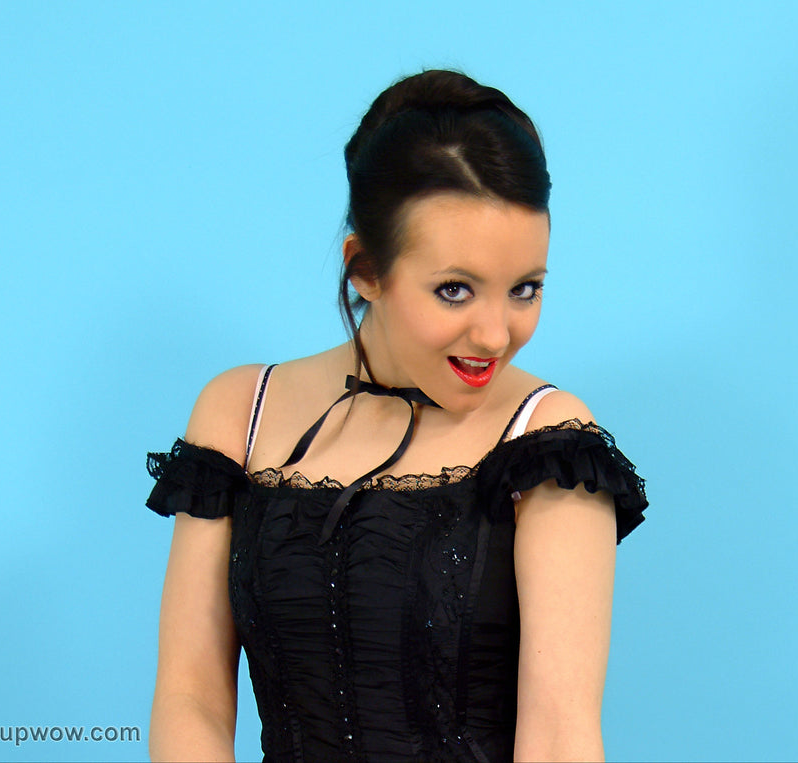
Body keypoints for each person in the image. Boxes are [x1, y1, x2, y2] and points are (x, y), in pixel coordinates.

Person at [145, 69, 648, 763]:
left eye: (525, 289)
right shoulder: (238, 413)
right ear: (365, 269)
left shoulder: (547, 439)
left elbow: (561, 734)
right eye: (455, 290)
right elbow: (190, 698)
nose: (495, 334)